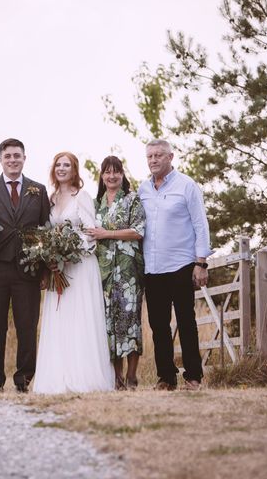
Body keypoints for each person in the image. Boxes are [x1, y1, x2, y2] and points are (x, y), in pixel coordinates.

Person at [33, 152, 115, 394]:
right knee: (60, 318)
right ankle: (58, 376)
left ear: (74, 170)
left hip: (80, 266)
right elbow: (47, 233)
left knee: (81, 318)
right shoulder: (50, 198)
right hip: (58, 269)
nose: (61, 168)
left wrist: (68, 254)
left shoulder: (83, 197)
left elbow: (92, 234)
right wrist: (52, 258)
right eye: (58, 164)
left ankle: (85, 376)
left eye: (66, 165)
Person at [0, 138, 51, 393]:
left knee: (27, 326)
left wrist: (44, 269)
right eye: (8, 156)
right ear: (1, 160)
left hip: (28, 269)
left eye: (17, 155)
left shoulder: (38, 190)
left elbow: (45, 229)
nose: (13, 160)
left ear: (24, 158)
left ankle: (24, 378)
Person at [137, 139, 212, 391]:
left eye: (159, 155)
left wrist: (201, 263)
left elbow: (201, 225)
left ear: (171, 157)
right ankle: (166, 378)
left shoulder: (187, 186)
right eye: (149, 156)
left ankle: (193, 377)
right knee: (158, 326)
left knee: (186, 322)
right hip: (153, 267)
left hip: (181, 264)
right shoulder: (143, 190)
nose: (153, 160)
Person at [85, 155, 145, 390]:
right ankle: (116, 378)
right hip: (102, 272)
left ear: (122, 174)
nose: (112, 176)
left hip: (128, 271)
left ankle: (132, 376)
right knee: (107, 324)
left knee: (129, 322)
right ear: (101, 176)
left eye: (116, 172)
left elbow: (138, 231)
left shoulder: (132, 200)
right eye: (107, 172)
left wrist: (107, 234)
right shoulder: (94, 203)